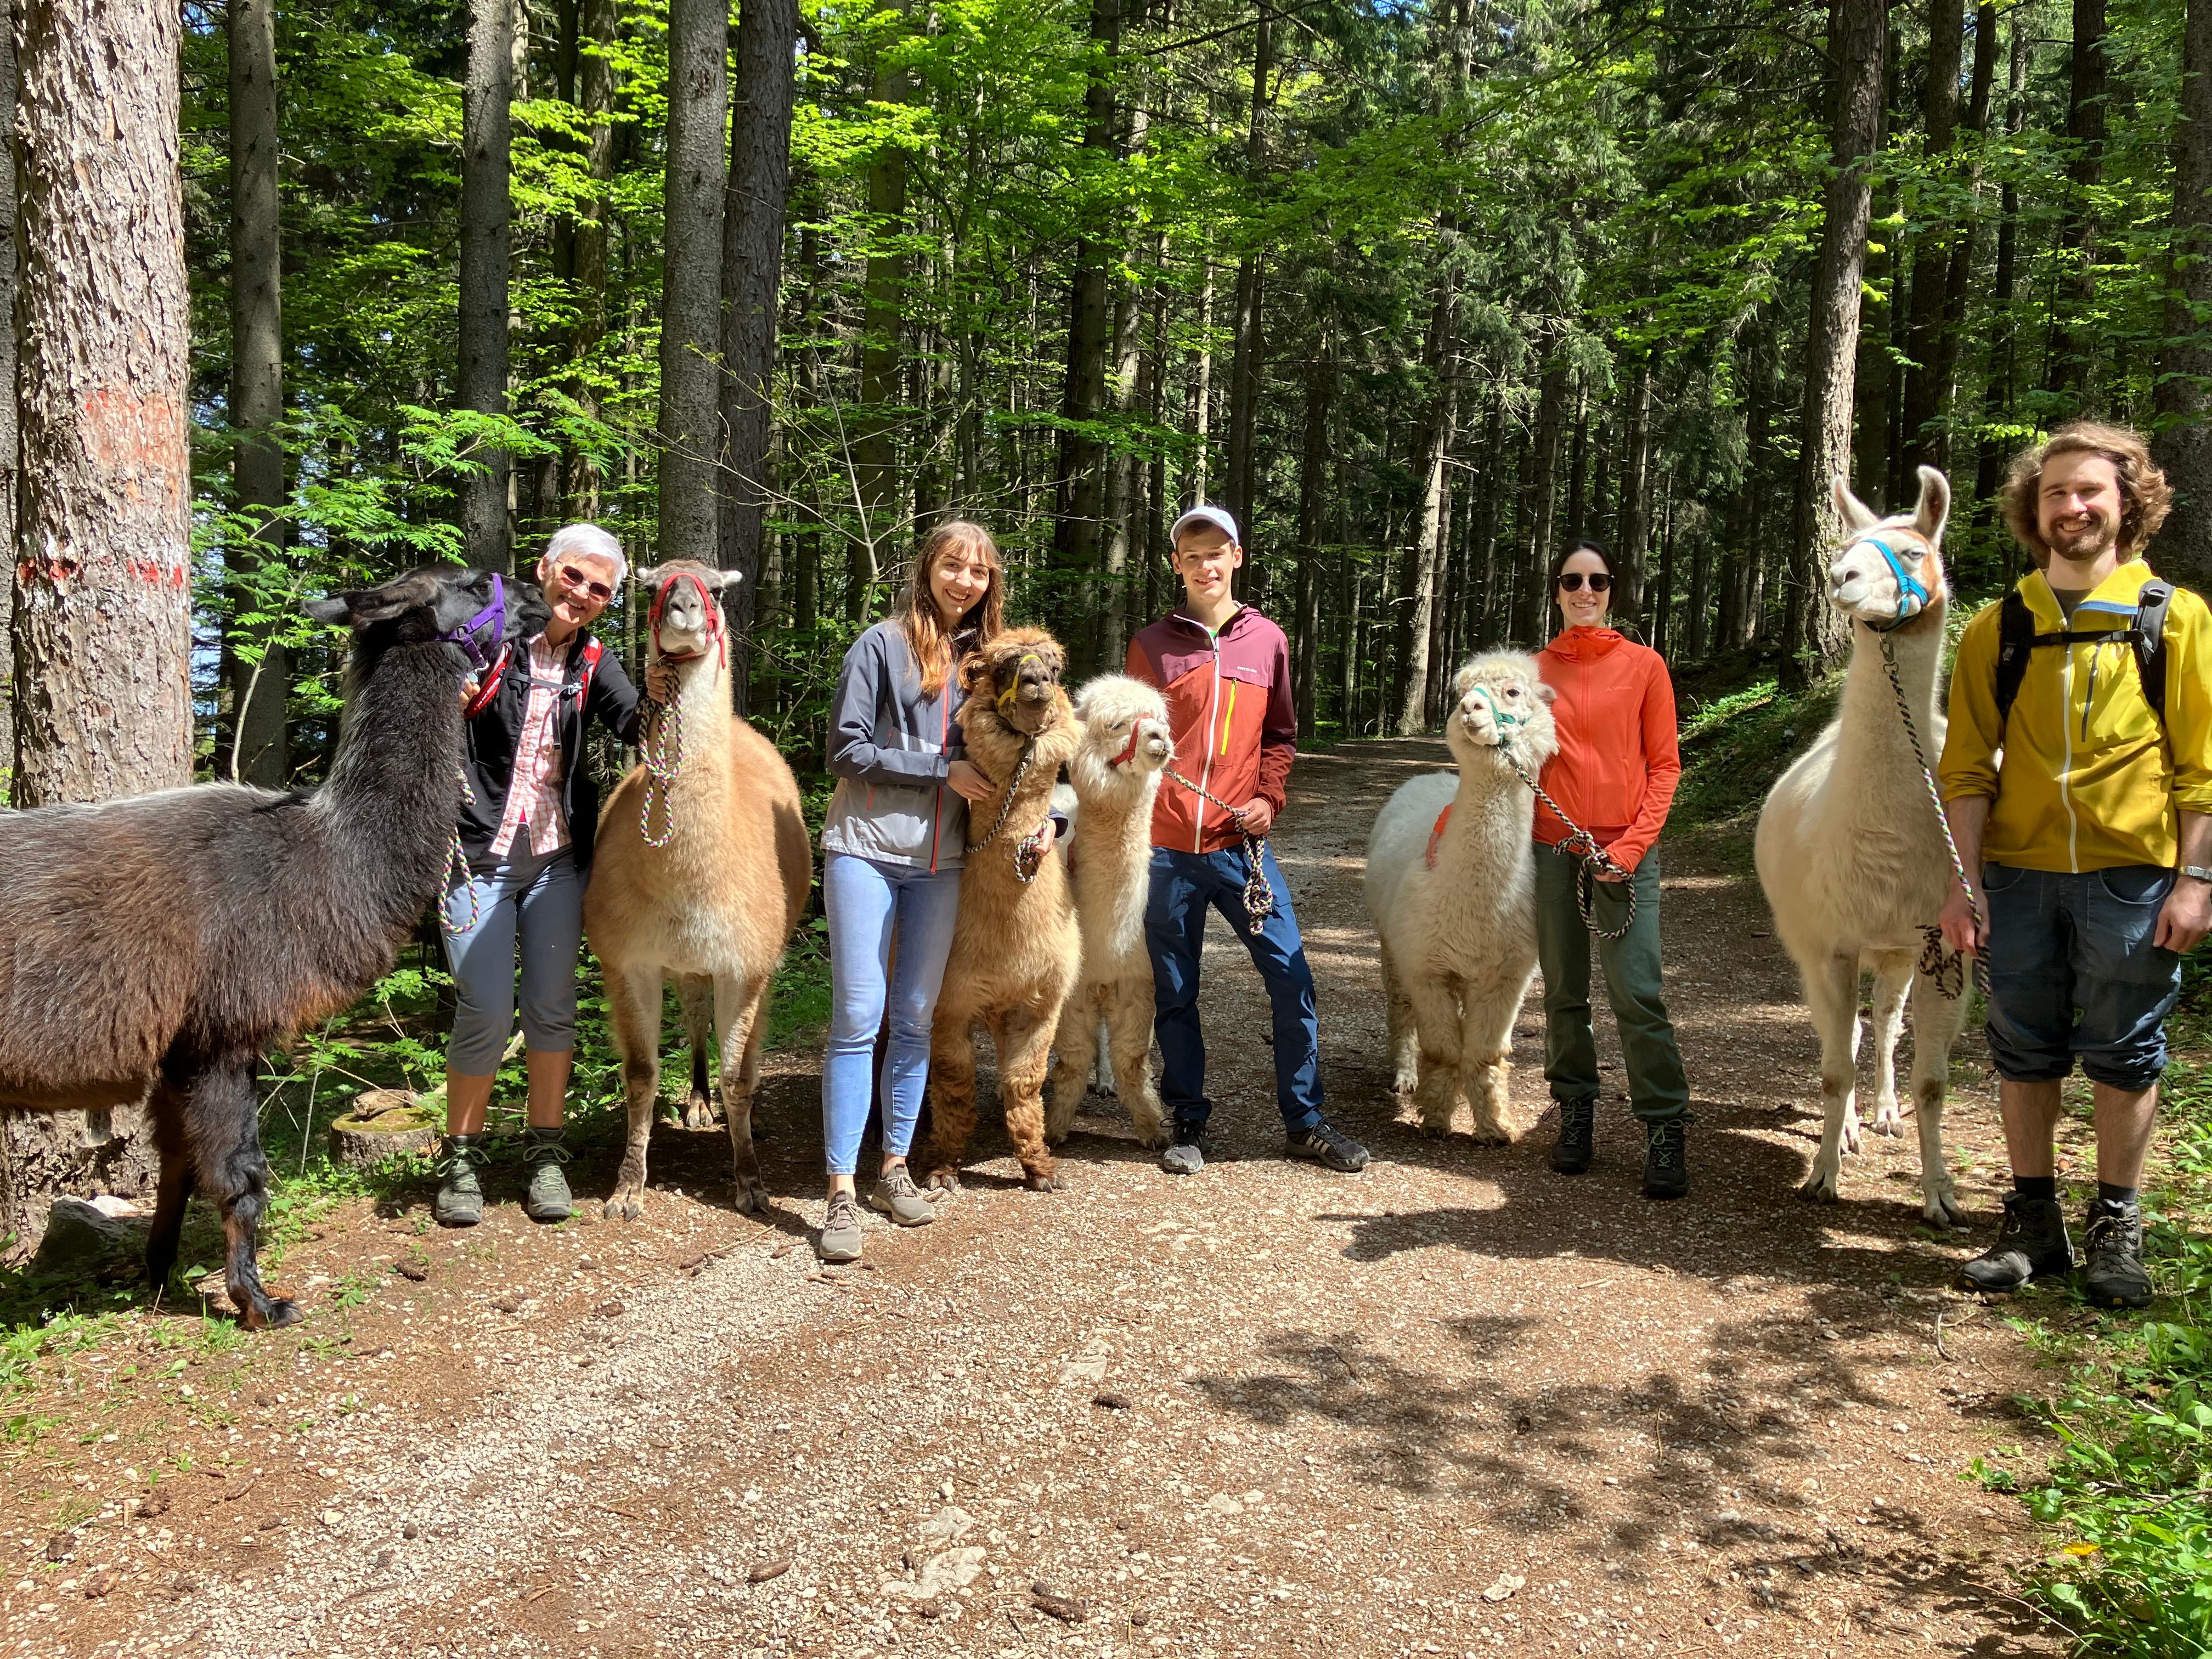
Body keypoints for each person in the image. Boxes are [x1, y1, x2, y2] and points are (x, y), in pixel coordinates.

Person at [1939, 421, 2212, 1308]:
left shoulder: (2173, 618)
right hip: (2017, 877)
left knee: (2126, 1051)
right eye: (2055, 491)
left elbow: (2202, 765)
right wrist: (1964, 884)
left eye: (2091, 489)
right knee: (2022, 1047)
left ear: (2128, 503)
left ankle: (2116, 1228)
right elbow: (1967, 769)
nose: (2073, 506)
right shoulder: (1998, 629)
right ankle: (2033, 1225)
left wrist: (2197, 880)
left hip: (2131, 877)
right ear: (2035, 509)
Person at [1125, 504, 1369, 1177]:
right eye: (1192, 555)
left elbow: (1280, 738)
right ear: (1176, 565)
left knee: (1292, 979)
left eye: (1217, 552)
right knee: (1175, 991)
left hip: (1241, 849)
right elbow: (1126, 741)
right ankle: (1188, 1120)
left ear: (1237, 557)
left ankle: (1305, 1121)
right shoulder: (1151, 646)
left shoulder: (1268, 641)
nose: (1205, 565)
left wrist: (1269, 798)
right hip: (1166, 849)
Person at [435, 523, 667, 1227]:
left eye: (600, 589)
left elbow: (637, 727)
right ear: (544, 569)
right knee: (485, 1009)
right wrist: (445, 693)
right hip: (475, 855)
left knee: (552, 1008)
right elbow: (425, 710)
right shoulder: (485, 638)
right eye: (574, 577)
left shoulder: (595, 660)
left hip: (556, 862)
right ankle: (461, 1159)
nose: (584, 594)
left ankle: (545, 1155)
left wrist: (664, 693)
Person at [815, 521, 1008, 1262]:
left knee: (917, 1018)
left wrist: (1049, 814)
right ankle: (839, 1189)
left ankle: (894, 1167)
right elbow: (845, 749)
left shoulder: (989, 663)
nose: (964, 581)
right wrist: (940, 771)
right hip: (864, 851)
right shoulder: (880, 645)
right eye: (953, 565)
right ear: (928, 568)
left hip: (942, 864)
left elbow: (1025, 749)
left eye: (979, 572)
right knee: (858, 1017)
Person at [1532, 539, 1692, 1200]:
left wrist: (1628, 851)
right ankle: (1575, 1111)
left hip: (1626, 853)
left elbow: (1666, 766)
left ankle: (1664, 1124)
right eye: (1572, 581)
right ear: (1557, 591)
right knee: (1563, 992)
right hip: (1554, 851)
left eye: (1597, 581)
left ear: (1612, 590)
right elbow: (1505, 759)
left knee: (1637, 993)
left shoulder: (1644, 666)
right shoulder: (1533, 671)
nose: (1585, 591)